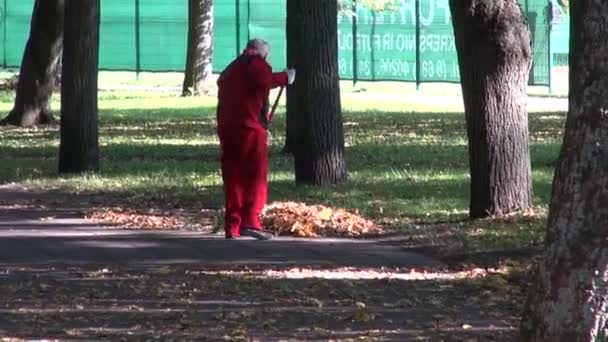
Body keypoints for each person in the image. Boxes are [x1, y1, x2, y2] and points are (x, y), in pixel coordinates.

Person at [216, 38, 296, 240]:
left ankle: (232, 225)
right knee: (255, 176)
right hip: (250, 129)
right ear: (262, 52)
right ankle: (251, 221)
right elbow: (266, 80)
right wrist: (286, 77)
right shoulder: (256, 63)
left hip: (228, 128)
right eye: (267, 54)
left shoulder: (232, 67)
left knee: (233, 176)